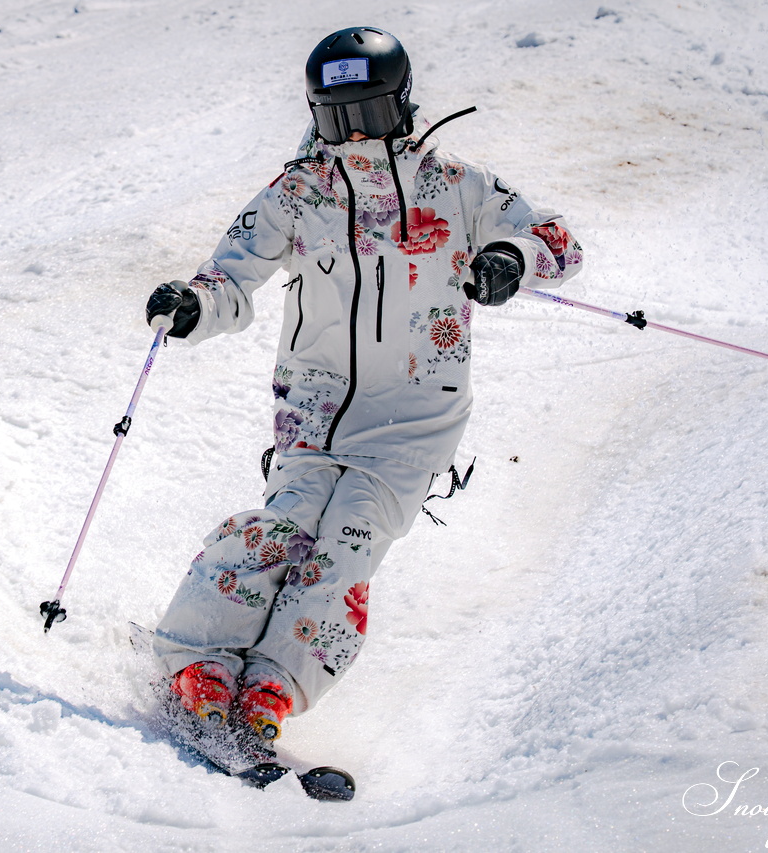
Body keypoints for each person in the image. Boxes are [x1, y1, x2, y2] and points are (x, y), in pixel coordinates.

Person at [144, 26, 583, 749]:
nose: (351, 137)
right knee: (283, 531)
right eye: (333, 120)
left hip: (415, 417)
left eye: (368, 117)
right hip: (313, 409)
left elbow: (557, 239)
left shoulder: (455, 186)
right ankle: (199, 659)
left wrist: (512, 257)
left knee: (346, 545)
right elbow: (232, 274)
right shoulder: (301, 190)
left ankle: (276, 683)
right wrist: (195, 303)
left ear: (402, 107)